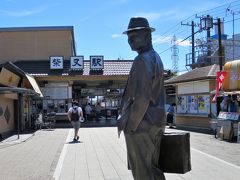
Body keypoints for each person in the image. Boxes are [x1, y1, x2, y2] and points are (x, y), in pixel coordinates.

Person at [117, 17, 166, 180]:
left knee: (142, 172)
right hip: (155, 122)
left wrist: (130, 126)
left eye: (133, 37)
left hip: (142, 125)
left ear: (147, 35)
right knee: (154, 168)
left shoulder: (142, 59)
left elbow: (142, 98)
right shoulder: (155, 57)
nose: (130, 42)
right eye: (128, 38)